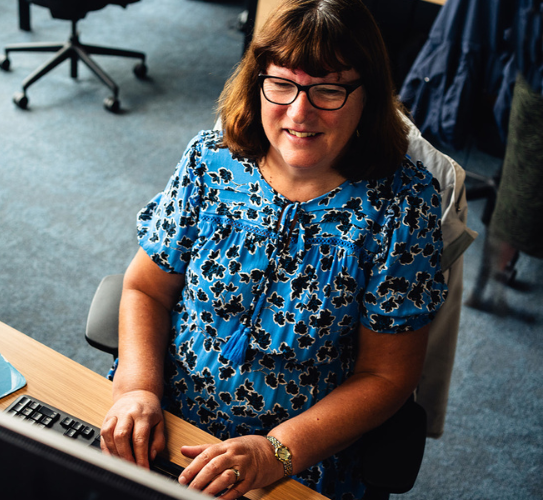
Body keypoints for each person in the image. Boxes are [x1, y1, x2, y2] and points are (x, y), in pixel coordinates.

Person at [100, 1, 448, 498]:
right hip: (166, 421)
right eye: (281, 84)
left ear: (367, 96)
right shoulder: (212, 159)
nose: (299, 112)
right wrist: (136, 389)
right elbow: (144, 289)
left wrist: (276, 450)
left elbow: (387, 374)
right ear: (257, 83)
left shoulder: (401, 207)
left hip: (295, 457)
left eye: (329, 90)